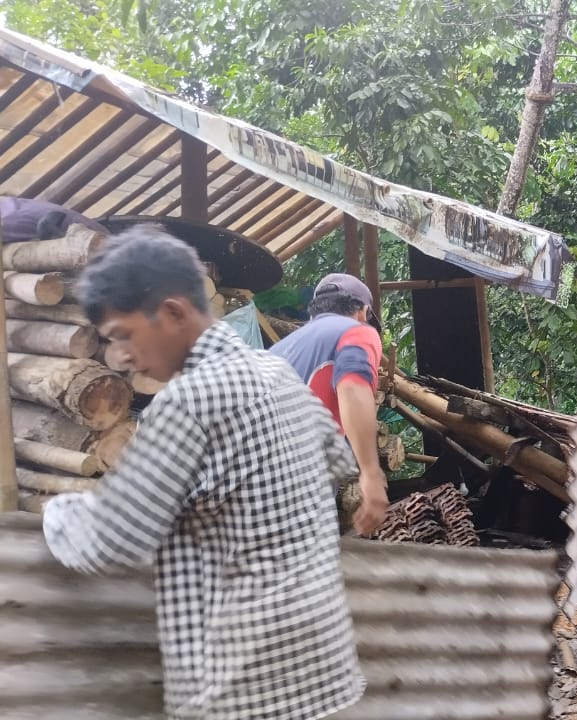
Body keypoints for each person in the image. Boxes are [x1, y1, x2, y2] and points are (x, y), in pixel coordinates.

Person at [42, 226, 364, 719]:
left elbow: (112, 539)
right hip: (322, 673)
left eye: (124, 336)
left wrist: (58, 511)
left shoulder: (188, 402)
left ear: (172, 312)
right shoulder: (276, 375)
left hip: (242, 689)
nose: (123, 356)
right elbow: (340, 465)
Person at [269, 273, 389, 536]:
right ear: (362, 310)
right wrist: (370, 472)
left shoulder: (279, 351)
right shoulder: (357, 332)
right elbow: (353, 387)